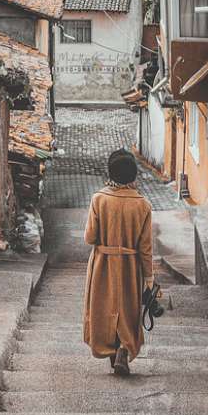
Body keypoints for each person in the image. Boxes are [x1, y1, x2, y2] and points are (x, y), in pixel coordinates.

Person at [83, 148, 153, 376]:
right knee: (128, 309)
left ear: (111, 174)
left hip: (103, 263)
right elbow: (145, 247)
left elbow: (89, 237)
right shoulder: (143, 205)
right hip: (130, 265)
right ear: (133, 176)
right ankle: (125, 347)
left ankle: (112, 350)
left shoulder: (99, 200)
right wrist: (149, 276)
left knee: (104, 308)